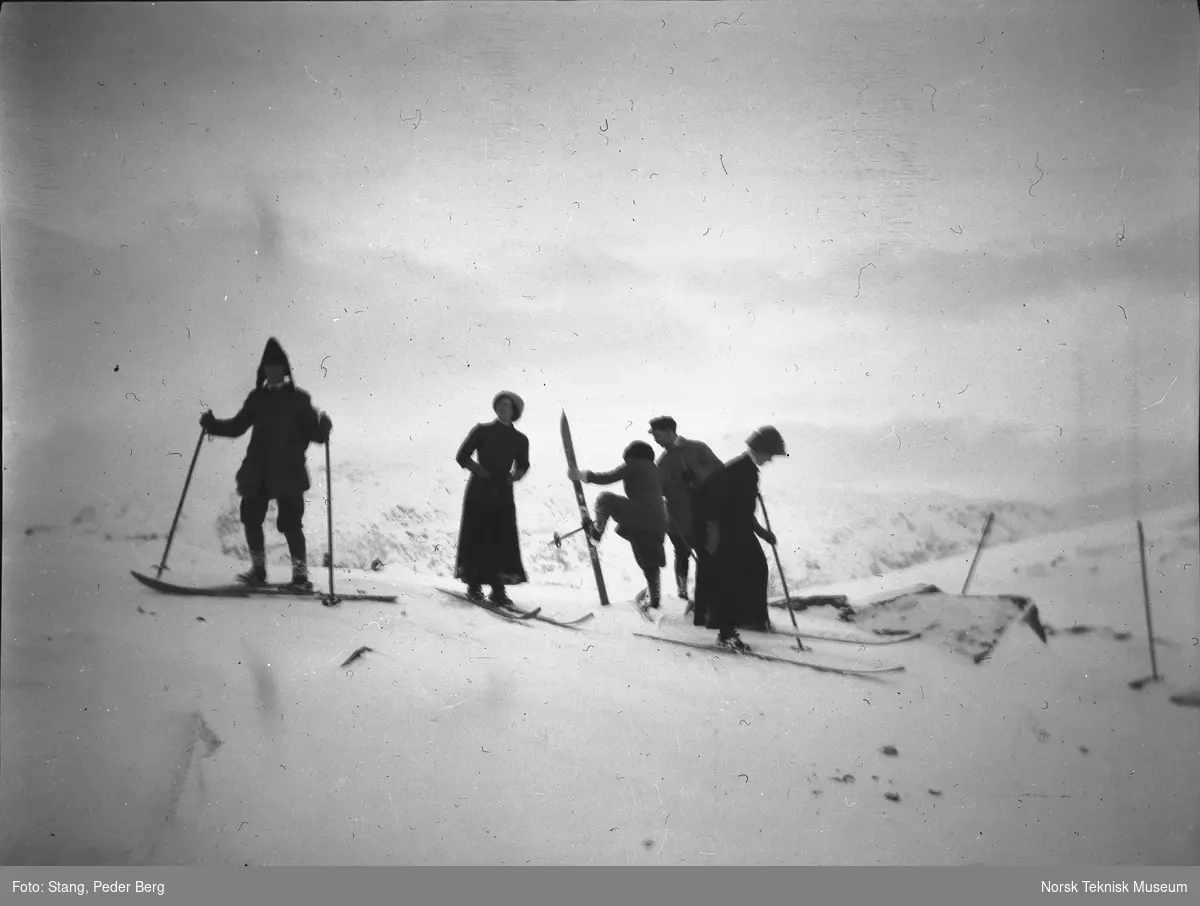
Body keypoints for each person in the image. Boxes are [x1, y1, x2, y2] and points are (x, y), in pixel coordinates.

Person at [200, 337, 332, 591]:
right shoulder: (259, 399)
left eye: (276, 369)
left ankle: (300, 578)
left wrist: (322, 428)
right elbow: (238, 426)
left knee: (290, 524)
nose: (273, 373)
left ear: (284, 371)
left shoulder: (298, 400)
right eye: (269, 369)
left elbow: (316, 435)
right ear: (264, 372)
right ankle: (260, 573)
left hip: (284, 471)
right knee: (252, 518)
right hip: (262, 471)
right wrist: (213, 425)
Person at [693, 426, 788, 652]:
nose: (771, 460)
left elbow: (743, 512)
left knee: (757, 568)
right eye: (770, 454)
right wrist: (712, 535)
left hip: (738, 531)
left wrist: (762, 533)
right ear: (760, 450)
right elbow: (712, 503)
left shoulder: (746, 470)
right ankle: (726, 634)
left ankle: (756, 619)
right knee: (730, 582)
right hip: (724, 534)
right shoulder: (737, 470)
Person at [567, 441, 668, 611]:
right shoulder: (655, 469)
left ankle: (596, 531)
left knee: (605, 499)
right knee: (649, 559)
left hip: (640, 515)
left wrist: (581, 475)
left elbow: (608, 477)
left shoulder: (634, 464)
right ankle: (655, 597)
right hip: (659, 520)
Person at [454, 391, 530, 606]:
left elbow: (523, 464)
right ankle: (474, 586)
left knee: (501, 539)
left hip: (502, 493)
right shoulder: (482, 431)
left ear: (514, 411)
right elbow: (462, 455)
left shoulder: (520, 439)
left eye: (507, 405)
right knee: (477, 535)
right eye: (500, 404)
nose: (503, 407)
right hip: (479, 490)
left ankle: (498, 590)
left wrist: (515, 477)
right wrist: (479, 470)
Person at [648, 416, 723, 617]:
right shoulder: (662, 462)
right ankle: (682, 595)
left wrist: (695, 473)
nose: (654, 439)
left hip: (701, 513)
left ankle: (704, 598)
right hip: (677, 518)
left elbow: (718, 468)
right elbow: (659, 489)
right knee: (682, 554)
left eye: (656, 434)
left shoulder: (697, 448)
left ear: (670, 431)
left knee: (705, 555)